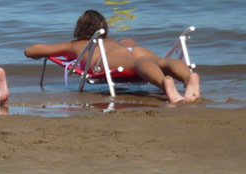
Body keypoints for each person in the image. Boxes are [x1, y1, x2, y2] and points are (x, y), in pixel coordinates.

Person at [23, 9, 200, 103]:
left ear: (80, 28)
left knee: (138, 64)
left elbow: (31, 51)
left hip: (107, 58)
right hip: (129, 48)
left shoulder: (77, 45)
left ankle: (165, 84)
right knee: (159, 61)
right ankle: (188, 77)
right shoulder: (116, 40)